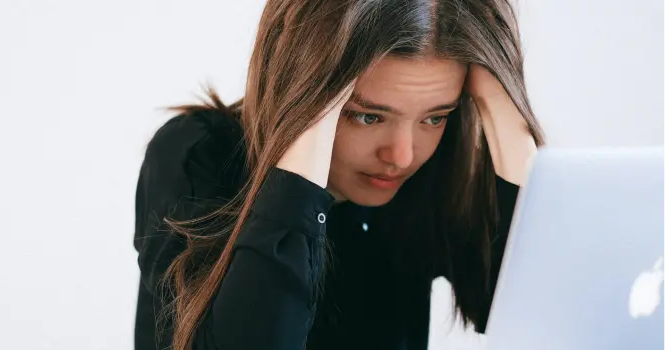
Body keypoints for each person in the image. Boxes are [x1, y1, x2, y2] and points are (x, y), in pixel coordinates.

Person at [134, 0, 545, 349]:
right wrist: (302, 145)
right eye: (367, 116)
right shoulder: (197, 155)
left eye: (434, 117)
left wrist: (509, 118)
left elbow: (544, 323)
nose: (401, 156)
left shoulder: (433, 168)